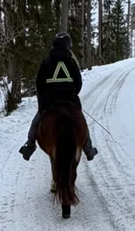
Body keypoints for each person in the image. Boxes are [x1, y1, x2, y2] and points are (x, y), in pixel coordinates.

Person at [19, 33, 98, 161]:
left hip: (50, 102)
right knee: (81, 122)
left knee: (35, 123)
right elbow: (78, 83)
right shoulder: (71, 62)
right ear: (67, 45)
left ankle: (29, 146)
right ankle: (88, 149)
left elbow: (39, 84)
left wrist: (44, 99)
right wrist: (71, 95)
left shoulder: (46, 62)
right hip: (69, 101)